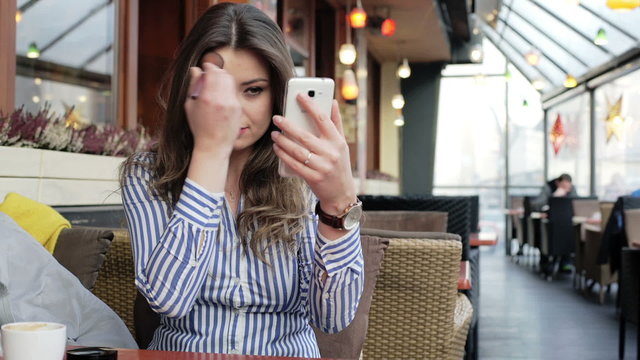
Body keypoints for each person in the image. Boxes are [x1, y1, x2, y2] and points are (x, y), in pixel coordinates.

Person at [119, 3, 363, 357]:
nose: (232, 109)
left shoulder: (301, 175)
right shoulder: (147, 173)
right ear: (190, 93)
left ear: (277, 93)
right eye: (220, 91)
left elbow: (333, 319)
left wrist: (337, 205)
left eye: (253, 90)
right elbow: (167, 300)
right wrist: (210, 152)